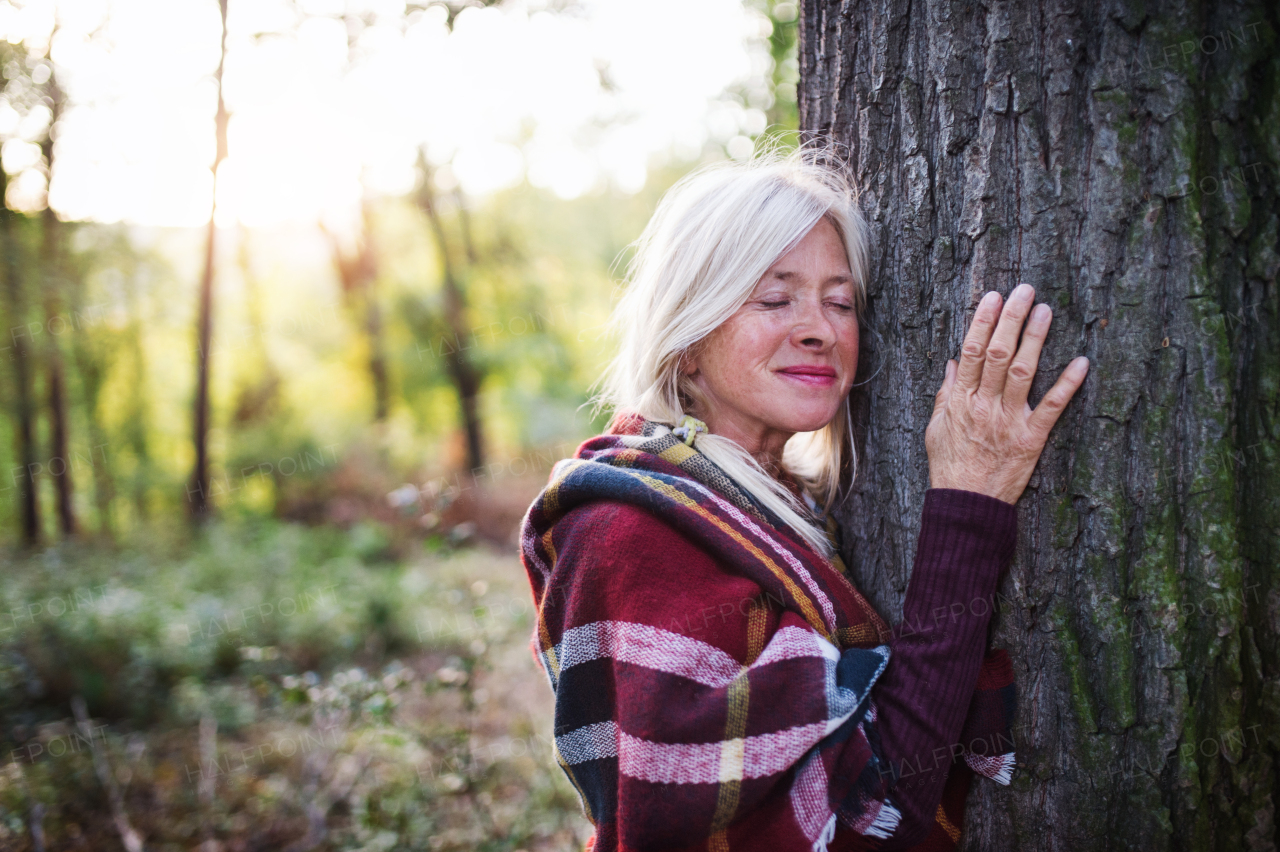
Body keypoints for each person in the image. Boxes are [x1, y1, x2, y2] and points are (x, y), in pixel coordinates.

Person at [518, 147, 1089, 851]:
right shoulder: (626, 533)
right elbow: (869, 819)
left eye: (840, 301)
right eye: (775, 297)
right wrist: (969, 505)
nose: (821, 328)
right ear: (688, 340)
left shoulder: (798, 511)